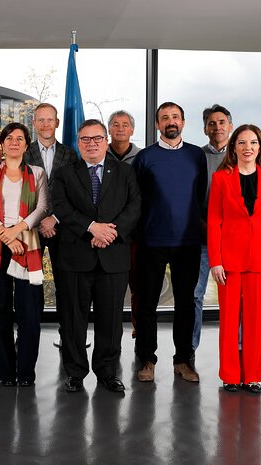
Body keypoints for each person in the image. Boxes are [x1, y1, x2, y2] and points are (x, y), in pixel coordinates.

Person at [52, 119, 141, 393]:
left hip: (113, 257)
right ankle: (75, 374)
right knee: (72, 320)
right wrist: (92, 228)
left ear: (106, 141)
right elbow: (61, 208)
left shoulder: (125, 172)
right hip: (75, 257)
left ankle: (107, 373)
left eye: (97, 138)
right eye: (86, 139)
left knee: (111, 321)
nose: (92, 144)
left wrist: (110, 233)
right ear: (78, 144)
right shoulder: (64, 173)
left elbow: (135, 206)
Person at [208, 124, 261, 394]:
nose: (248, 147)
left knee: (254, 322)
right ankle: (230, 375)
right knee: (229, 321)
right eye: (242, 142)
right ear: (234, 147)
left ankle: (252, 375)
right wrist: (215, 261)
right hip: (228, 261)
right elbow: (214, 221)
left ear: (260, 147)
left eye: (253, 142)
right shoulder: (221, 179)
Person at [133, 102, 207, 383]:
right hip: (152, 240)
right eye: (164, 118)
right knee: (147, 303)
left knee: (185, 303)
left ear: (183, 123)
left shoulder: (196, 155)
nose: (170, 121)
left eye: (175, 117)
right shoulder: (145, 158)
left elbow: (199, 196)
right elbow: (138, 198)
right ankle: (147, 361)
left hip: (187, 240)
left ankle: (183, 361)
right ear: (157, 125)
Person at [0, 122, 49, 386]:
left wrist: (17, 230)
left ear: (26, 144)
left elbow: (43, 207)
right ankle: (5, 372)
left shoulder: (38, 173)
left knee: (29, 310)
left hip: (27, 242)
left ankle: (27, 371)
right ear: (2, 143)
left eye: (20, 138)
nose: (14, 142)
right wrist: (5, 235)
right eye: (9, 138)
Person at [23, 103, 78, 348]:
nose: (46, 124)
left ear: (57, 123)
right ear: (34, 124)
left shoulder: (70, 154)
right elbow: (19, 193)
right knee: (30, 283)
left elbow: (74, 193)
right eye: (41, 120)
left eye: (50, 120)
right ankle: (27, 333)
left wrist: (53, 218)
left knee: (65, 284)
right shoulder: (23, 152)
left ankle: (67, 334)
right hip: (31, 229)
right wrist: (39, 219)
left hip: (61, 226)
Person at [193, 104, 234, 350]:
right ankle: (189, 349)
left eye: (221, 122)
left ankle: (236, 347)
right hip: (201, 235)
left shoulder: (241, 155)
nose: (217, 127)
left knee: (233, 297)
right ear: (205, 128)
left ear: (230, 126)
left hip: (232, 238)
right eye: (211, 123)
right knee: (194, 295)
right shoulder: (195, 156)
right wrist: (201, 224)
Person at [106, 110, 141, 338]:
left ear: (132, 130)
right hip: (106, 231)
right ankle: (111, 330)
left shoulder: (142, 157)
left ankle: (138, 328)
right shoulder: (99, 154)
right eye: (115, 124)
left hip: (134, 230)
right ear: (109, 129)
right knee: (111, 287)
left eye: (125, 124)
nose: (120, 128)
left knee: (137, 284)